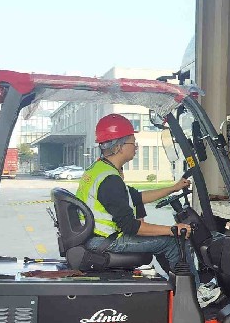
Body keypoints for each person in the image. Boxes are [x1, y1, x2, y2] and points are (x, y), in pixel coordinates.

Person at [77, 113, 220, 305]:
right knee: (174, 241)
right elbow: (131, 227)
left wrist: (174, 188)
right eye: (132, 142)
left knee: (166, 237)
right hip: (107, 241)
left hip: (98, 237)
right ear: (119, 146)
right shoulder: (110, 180)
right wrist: (173, 229)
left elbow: (137, 198)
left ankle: (178, 289)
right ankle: (194, 296)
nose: (136, 146)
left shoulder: (100, 170)